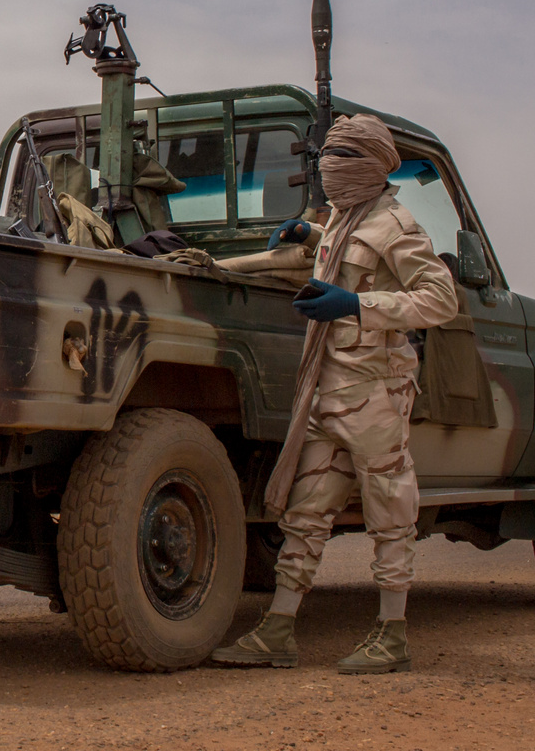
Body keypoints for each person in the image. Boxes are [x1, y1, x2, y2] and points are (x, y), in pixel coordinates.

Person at [210, 113, 456, 675]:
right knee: (305, 515)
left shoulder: (398, 226)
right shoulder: (346, 221)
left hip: (375, 395)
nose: (326, 169)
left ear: (368, 168)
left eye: (340, 159)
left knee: (390, 515)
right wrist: (309, 234)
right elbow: (352, 257)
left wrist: (357, 308)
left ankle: (392, 634)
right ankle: (278, 630)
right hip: (326, 393)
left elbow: (441, 300)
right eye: (326, 158)